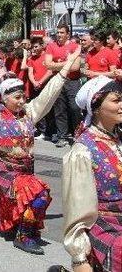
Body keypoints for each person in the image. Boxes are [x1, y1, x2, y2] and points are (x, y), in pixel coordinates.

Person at [0, 45, 81, 254]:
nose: (22, 101)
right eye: (17, 97)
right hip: (7, 173)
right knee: (39, 194)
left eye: (23, 96)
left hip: (26, 172)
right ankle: (23, 236)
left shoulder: (29, 114)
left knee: (27, 199)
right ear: (5, 99)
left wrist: (68, 65)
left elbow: (49, 94)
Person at [62, 76, 122, 272]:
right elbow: (76, 210)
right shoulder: (82, 150)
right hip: (106, 225)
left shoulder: (117, 140)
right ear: (96, 107)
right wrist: (79, 259)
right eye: (116, 100)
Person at [44, 24, 82, 147]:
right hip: (58, 80)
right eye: (58, 32)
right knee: (59, 109)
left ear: (67, 34)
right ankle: (62, 136)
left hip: (72, 82)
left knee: (75, 108)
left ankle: (78, 134)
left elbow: (76, 67)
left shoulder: (75, 46)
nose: (59, 35)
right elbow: (48, 65)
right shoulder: (51, 46)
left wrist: (57, 64)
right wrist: (68, 62)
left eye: (62, 32)